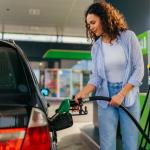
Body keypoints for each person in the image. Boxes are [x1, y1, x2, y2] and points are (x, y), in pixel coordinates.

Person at [75, 2, 144, 150]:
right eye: (89, 25)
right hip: (105, 97)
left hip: (128, 96)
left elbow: (139, 69)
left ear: (105, 19)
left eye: (93, 22)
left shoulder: (128, 38)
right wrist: (83, 93)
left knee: (131, 145)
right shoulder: (96, 47)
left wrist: (121, 94)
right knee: (107, 145)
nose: (91, 27)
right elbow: (97, 77)